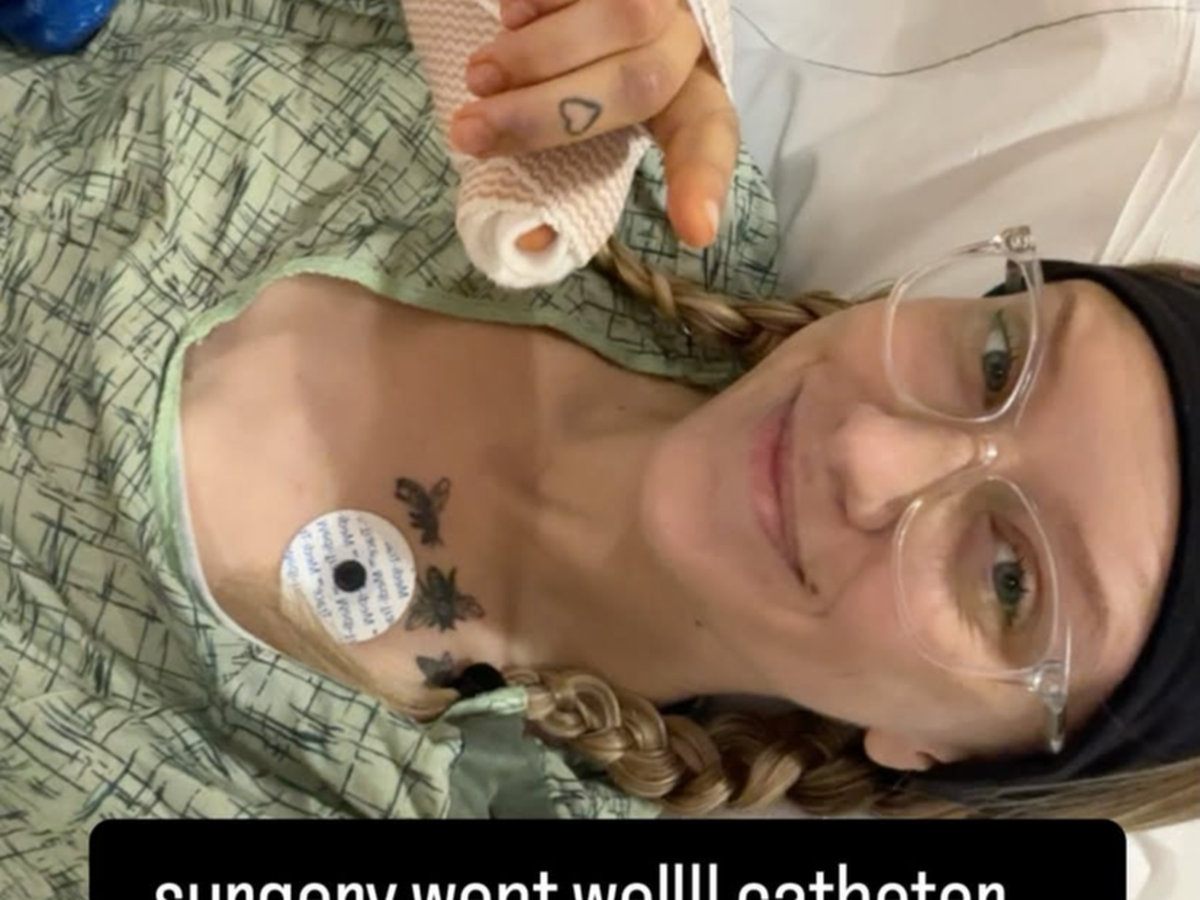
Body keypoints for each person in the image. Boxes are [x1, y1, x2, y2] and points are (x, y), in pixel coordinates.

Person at [0, 0, 1196, 889]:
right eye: (996, 361)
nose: (872, 452)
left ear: (937, 752)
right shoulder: (629, 154)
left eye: (1008, 581)